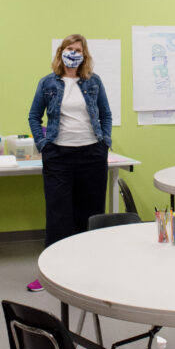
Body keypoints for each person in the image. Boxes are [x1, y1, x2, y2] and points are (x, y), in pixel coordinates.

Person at [26, 34, 113, 292]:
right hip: (58, 157)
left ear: (84, 55)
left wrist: (104, 142)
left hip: (92, 155)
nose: (73, 53)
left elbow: (106, 114)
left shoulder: (93, 82)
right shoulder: (47, 83)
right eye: (69, 48)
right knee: (58, 215)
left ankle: (87, 273)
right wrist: (44, 145)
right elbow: (33, 116)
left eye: (78, 50)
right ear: (61, 52)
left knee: (89, 214)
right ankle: (50, 274)